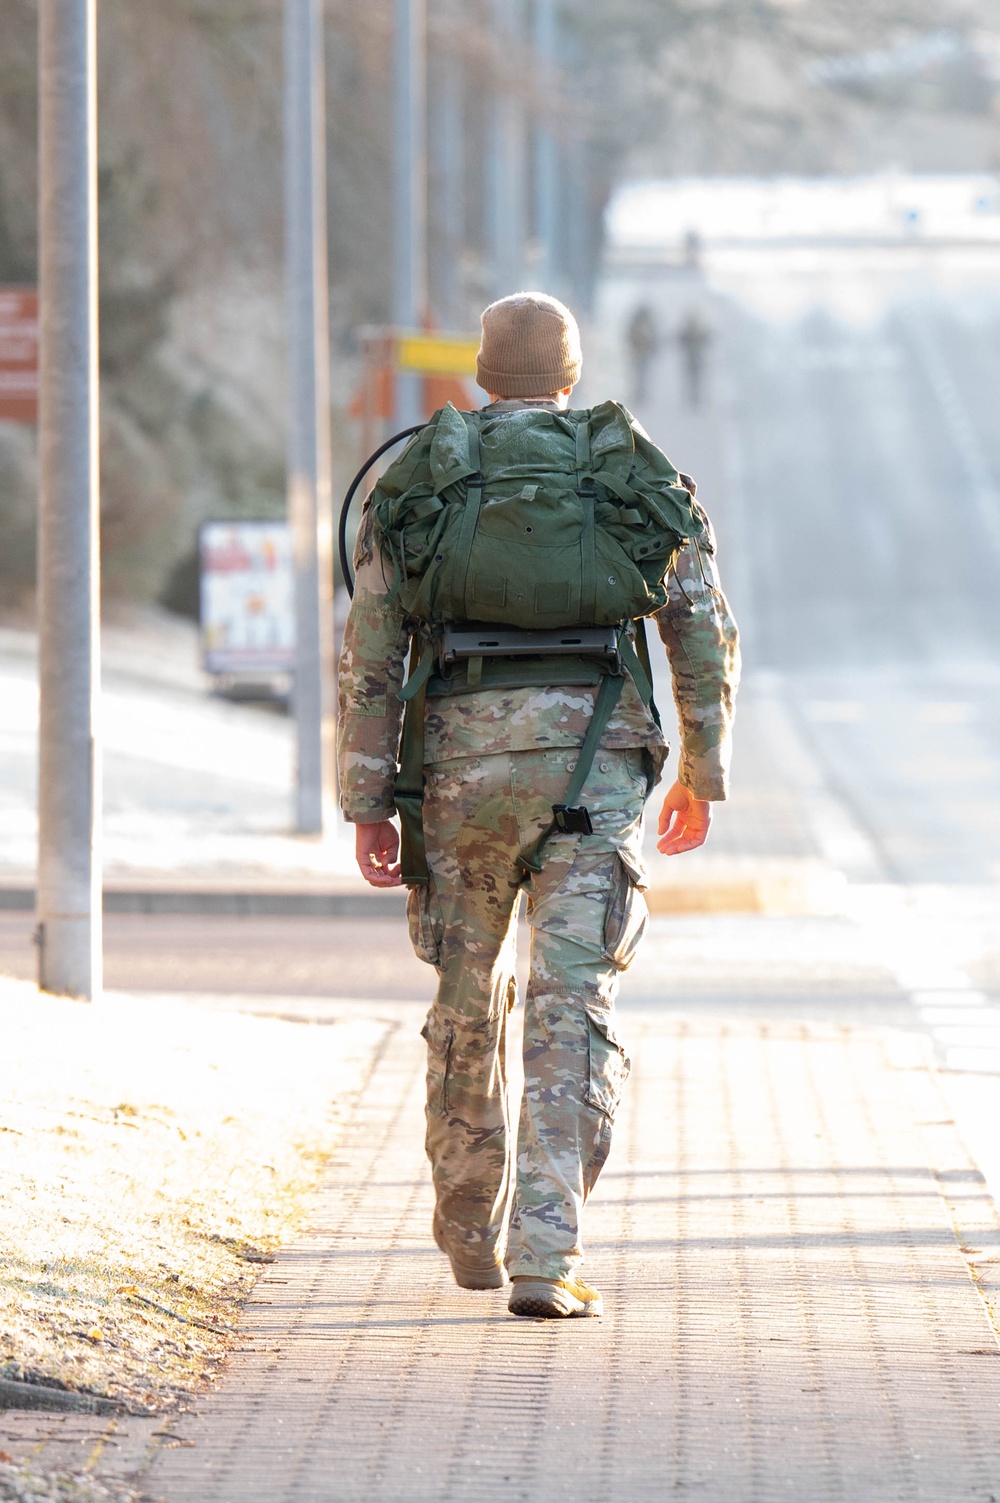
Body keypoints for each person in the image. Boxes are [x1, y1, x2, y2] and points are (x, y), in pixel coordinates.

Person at [337, 292, 739, 1320]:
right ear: (570, 375)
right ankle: (544, 1255)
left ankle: (468, 1225)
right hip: (594, 774)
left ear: (480, 374)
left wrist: (367, 799)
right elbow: (696, 625)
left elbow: (374, 650)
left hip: (460, 776)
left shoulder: (419, 477)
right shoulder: (628, 474)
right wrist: (702, 766)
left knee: (466, 998)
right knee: (572, 1005)